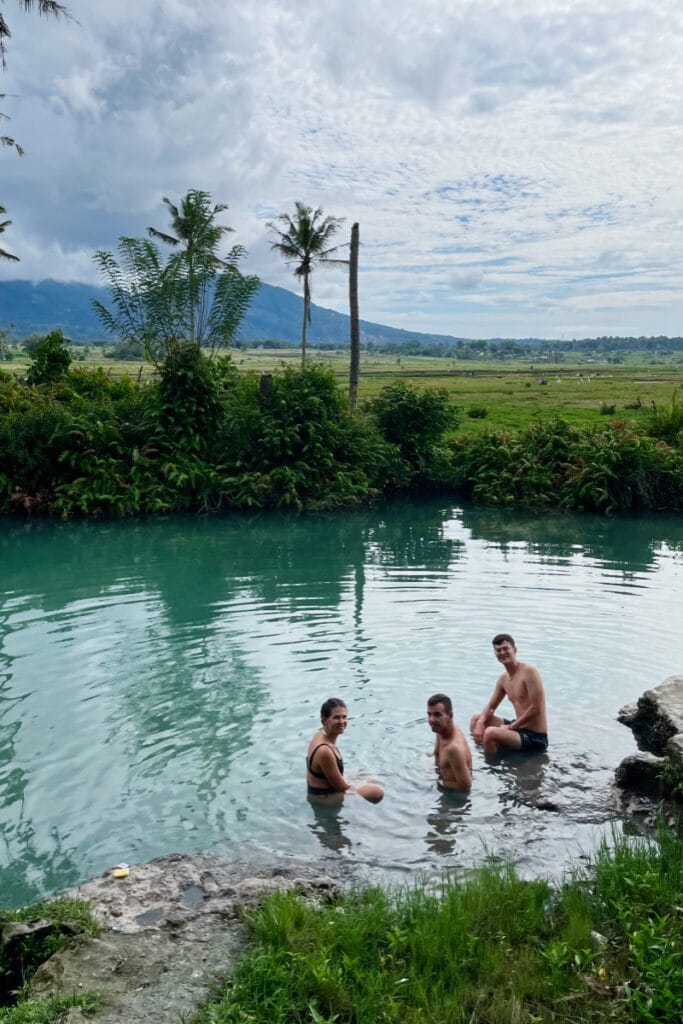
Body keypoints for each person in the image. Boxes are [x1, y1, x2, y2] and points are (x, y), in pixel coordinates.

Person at [470, 634, 548, 754]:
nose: (502, 652)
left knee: (491, 732)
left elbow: (537, 708)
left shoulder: (529, 672)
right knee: (476, 719)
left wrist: (511, 727)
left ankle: (491, 766)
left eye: (506, 648)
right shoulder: (503, 679)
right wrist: (480, 723)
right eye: (498, 650)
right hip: (518, 728)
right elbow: (491, 707)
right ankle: (487, 752)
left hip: (535, 737)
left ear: (515, 650)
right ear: (495, 654)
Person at [306, 698, 384, 803]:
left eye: (344, 717)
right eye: (336, 718)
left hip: (320, 788)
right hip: (324, 798)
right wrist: (362, 785)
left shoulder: (320, 734)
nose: (342, 722)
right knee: (377, 791)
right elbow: (342, 788)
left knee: (371, 776)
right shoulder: (324, 751)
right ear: (324, 720)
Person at [427, 693, 472, 791]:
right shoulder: (441, 729)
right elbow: (436, 754)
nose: (431, 720)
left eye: (437, 715)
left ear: (450, 715)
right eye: (429, 714)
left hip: (455, 801)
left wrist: (437, 782)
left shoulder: (453, 748)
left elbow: (465, 787)